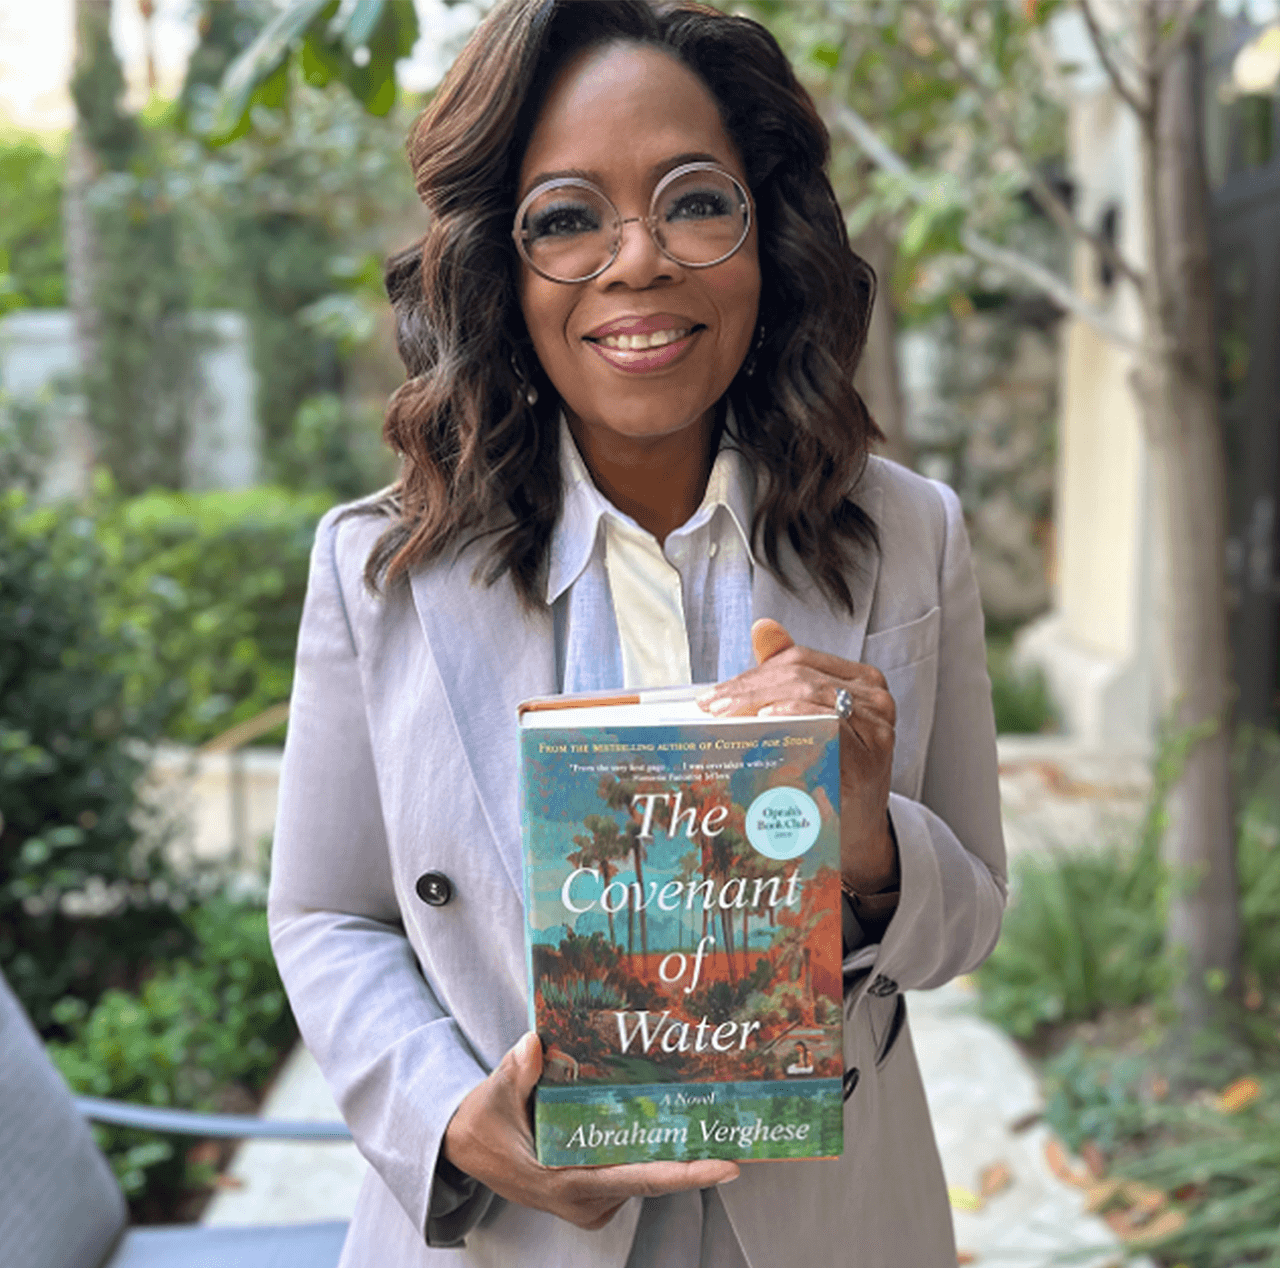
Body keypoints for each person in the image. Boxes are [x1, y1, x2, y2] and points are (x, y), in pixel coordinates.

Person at [267, 2, 1006, 1265]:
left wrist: (872, 836)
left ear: (766, 231)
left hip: (827, 1221)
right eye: (564, 218)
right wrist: (452, 1116)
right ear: (497, 265)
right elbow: (325, 915)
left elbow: (970, 916)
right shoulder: (382, 566)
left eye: (692, 201)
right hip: (514, 1232)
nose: (636, 261)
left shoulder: (904, 535)